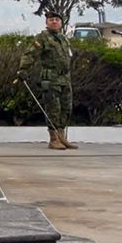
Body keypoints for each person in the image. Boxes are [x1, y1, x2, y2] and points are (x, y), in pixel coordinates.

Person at [17, 11, 78, 150]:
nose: (54, 22)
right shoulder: (42, 38)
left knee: (66, 108)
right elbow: (30, 54)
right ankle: (54, 139)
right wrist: (23, 70)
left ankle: (62, 137)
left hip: (65, 78)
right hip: (51, 78)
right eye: (51, 20)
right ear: (47, 23)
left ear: (61, 23)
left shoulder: (63, 38)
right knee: (53, 108)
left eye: (57, 19)